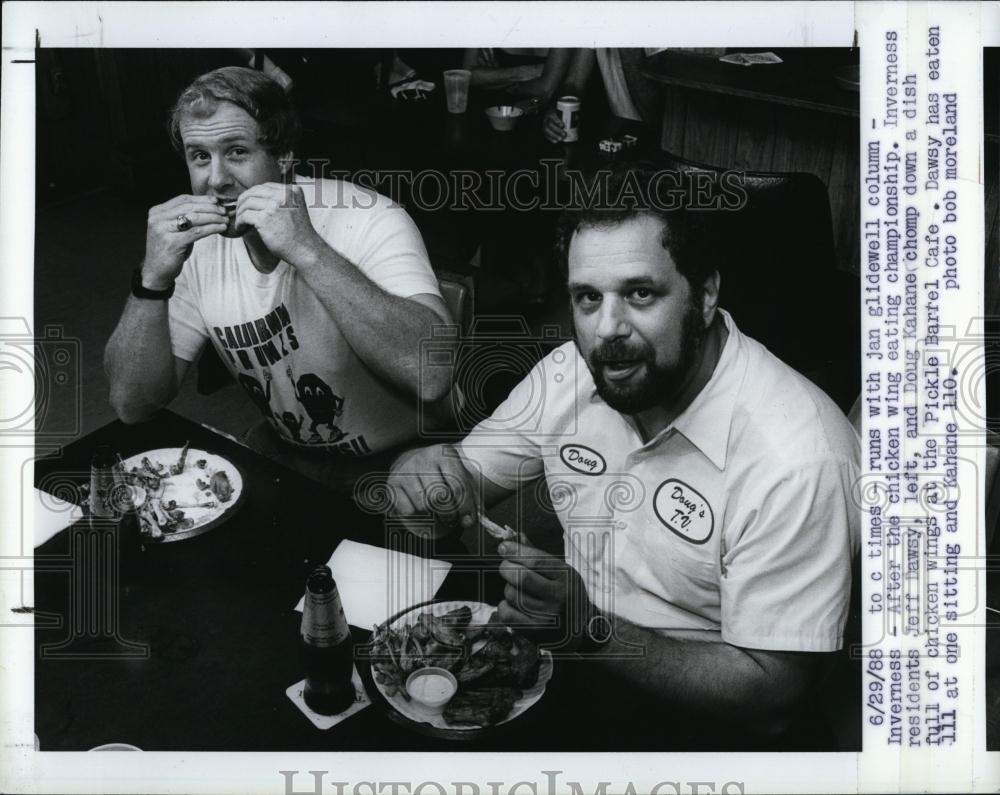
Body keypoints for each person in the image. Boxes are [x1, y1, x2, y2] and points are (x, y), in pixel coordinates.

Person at [387, 164, 860, 746]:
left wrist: (588, 630)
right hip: (569, 669)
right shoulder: (570, 374)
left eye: (640, 293)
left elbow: (773, 698)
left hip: (701, 732)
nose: (607, 329)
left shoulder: (799, 457)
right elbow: (447, 494)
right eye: (587, 298)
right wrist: (419, 476)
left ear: (706, 294)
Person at [104, 67, 455, 490]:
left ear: (284, 156)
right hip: (288, 451)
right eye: (200, 156)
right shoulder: (197, 247)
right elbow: (132, 404)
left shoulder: (370, 217)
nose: (215, 180)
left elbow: (431, 375)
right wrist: (152, 279)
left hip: (402, 459)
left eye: (236, 152)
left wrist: (307, 249)